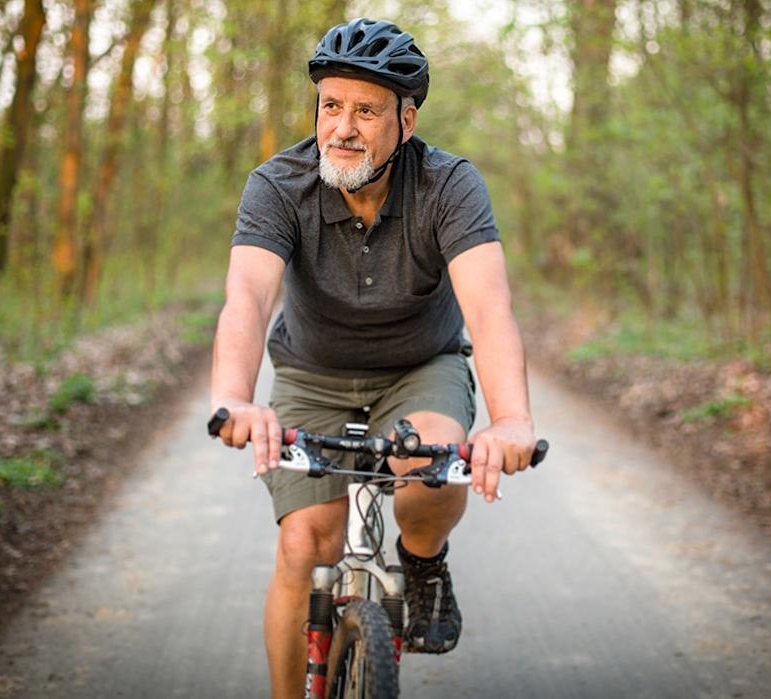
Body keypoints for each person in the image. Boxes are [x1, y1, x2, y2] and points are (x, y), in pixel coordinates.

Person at [208, 17, 538, 699]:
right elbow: (246, 294)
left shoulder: (449, 186)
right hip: (311, 372)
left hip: (421, 367)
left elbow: (489, 307)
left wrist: (509, 418)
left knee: (428, 471)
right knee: (307, 542)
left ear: (406, 121)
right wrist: (236, 396)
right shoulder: (278, 185)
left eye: (365, 110)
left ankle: (423, 563)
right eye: (331, 105)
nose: (343, 127)